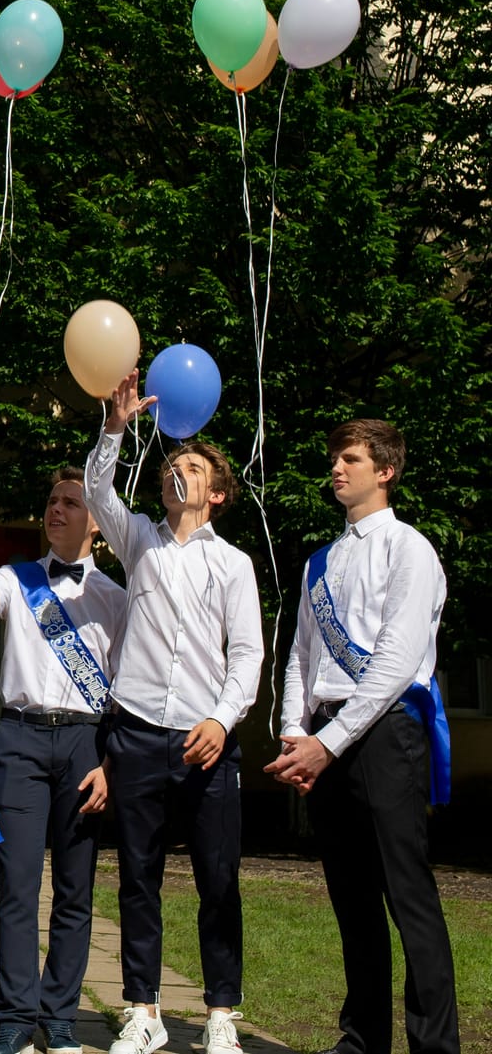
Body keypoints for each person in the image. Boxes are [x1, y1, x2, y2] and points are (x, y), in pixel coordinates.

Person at [264, 419, 458, 1054]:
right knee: (352, 899)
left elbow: (397, 661)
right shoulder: (319, 561)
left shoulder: (409, 549)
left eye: (350, 458)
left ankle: (435, 1046)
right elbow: (300, 656)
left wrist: (330, 741)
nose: (337, 468)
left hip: (385, 733)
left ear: (386, 470)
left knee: (408, 896)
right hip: (325, 737)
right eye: (335, 458)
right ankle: (362, 1040)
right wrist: (295, 731)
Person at [90, 371, 262, 1054]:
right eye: (170, 466)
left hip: (205, 738)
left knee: (219, 879)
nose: (175, 473)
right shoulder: (139, 540)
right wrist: (115, 427)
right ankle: (144, 1010)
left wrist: (221, 719)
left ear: (216, 492)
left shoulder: (236, 564)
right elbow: (98, 492)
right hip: (135, 734)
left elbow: (247, 654)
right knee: (138, 878)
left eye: (191, 468)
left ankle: (220, 1013)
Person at [0, 469, 124, 1054]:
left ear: (95, 521)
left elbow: (129, 689)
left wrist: (111, 763)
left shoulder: (116, 598)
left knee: (76, 889)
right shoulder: (16, 577)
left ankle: (61, 1017)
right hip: (21, 739)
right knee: (17, 884)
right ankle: (15, 1017)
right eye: (52, 500)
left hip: (85, 745)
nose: (56, 509)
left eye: (71, 502)